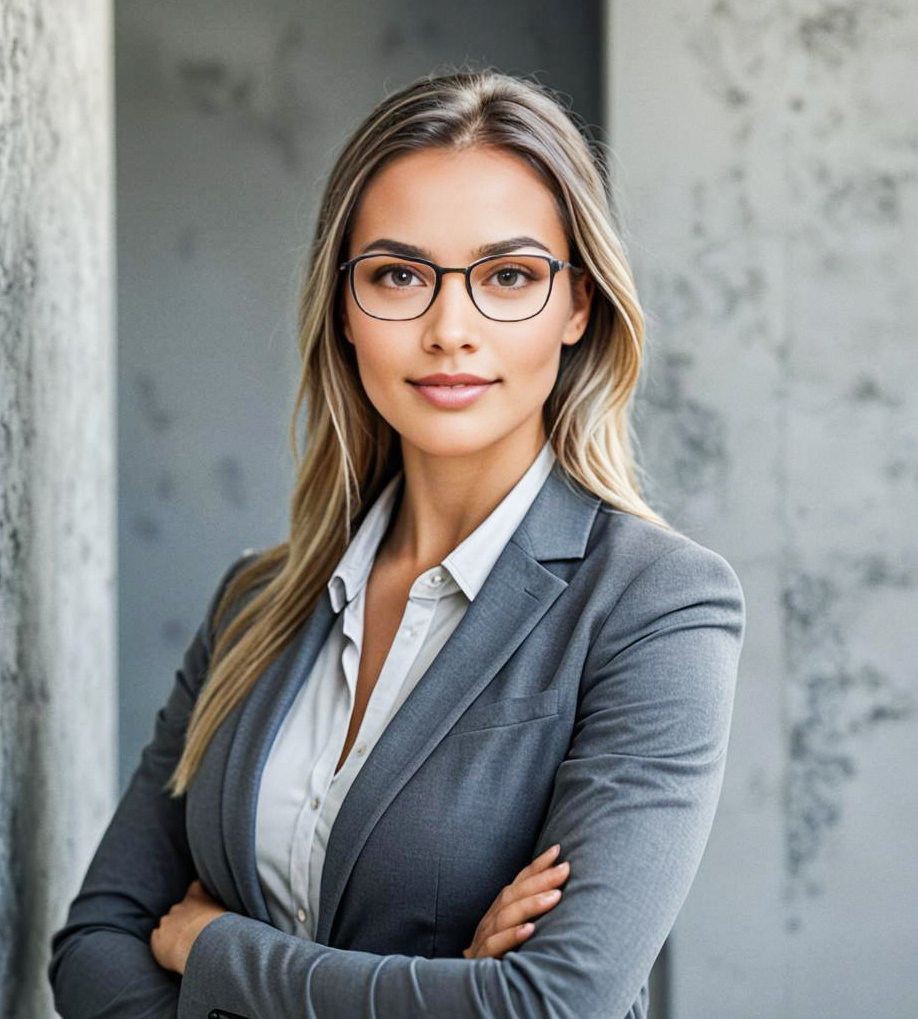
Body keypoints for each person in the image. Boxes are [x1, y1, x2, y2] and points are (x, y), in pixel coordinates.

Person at [48, 67, 746, 1019]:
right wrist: (445, 986)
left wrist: (217, 949)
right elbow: (94, 949)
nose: (449, 329)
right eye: (398, 275)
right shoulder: (256, 602)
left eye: (509, 276)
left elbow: (552, 1003)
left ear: (578, 305)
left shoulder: (656, 607)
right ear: (344, 307)